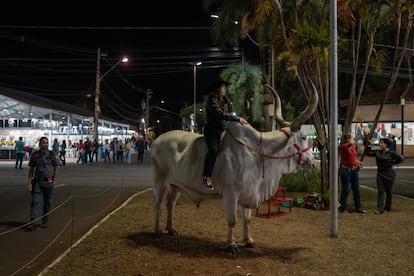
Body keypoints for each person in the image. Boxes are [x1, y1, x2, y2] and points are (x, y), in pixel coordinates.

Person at [202, 79, 248, 189]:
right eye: (223, 87)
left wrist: (228, 102)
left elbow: (230, 112)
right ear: (217, 89)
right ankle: (206, 176)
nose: (225, 89)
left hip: (224, 129)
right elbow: (220, 114)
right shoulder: (211, 100)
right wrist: (237, 118)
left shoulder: (225, 100)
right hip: (212, 130)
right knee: (213, 150)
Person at [26, 137, 59, 231]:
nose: (46, 145)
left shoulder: (52, 154)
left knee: (47, 203)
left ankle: (45, 220)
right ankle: (33, 221)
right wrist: (29, 183)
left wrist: (54, 181)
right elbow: (31, 169)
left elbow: (56, 168)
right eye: (44, 143)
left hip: (48, 182)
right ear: (40, 144)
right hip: (37, 182)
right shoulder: (35, 155)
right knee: (35, 202)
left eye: (47, 143)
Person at [374, 138, 404, 214]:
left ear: (386, 145)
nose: (380, 144)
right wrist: (369, 145)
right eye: (380, 142)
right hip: (380, 173)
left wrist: (392, 162)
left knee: (388, 191)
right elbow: (368, 152)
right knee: (381, 190)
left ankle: (388, 206)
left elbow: (401, 158)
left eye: (382, 143)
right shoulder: (378, 152)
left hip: (389, 173)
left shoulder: (392, 153)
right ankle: (380, 208)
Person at [338, 134, 366, 213]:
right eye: (352, 138)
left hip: (354, 170)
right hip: (345, 170)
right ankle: (343, 207)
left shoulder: (352, 146)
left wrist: (358, 162)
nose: (353, 139)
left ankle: (358, 207)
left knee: (356, 189)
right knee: (345, 189)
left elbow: (353, 157)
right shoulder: (343, 146)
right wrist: (352, 140)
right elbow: (349, 145)